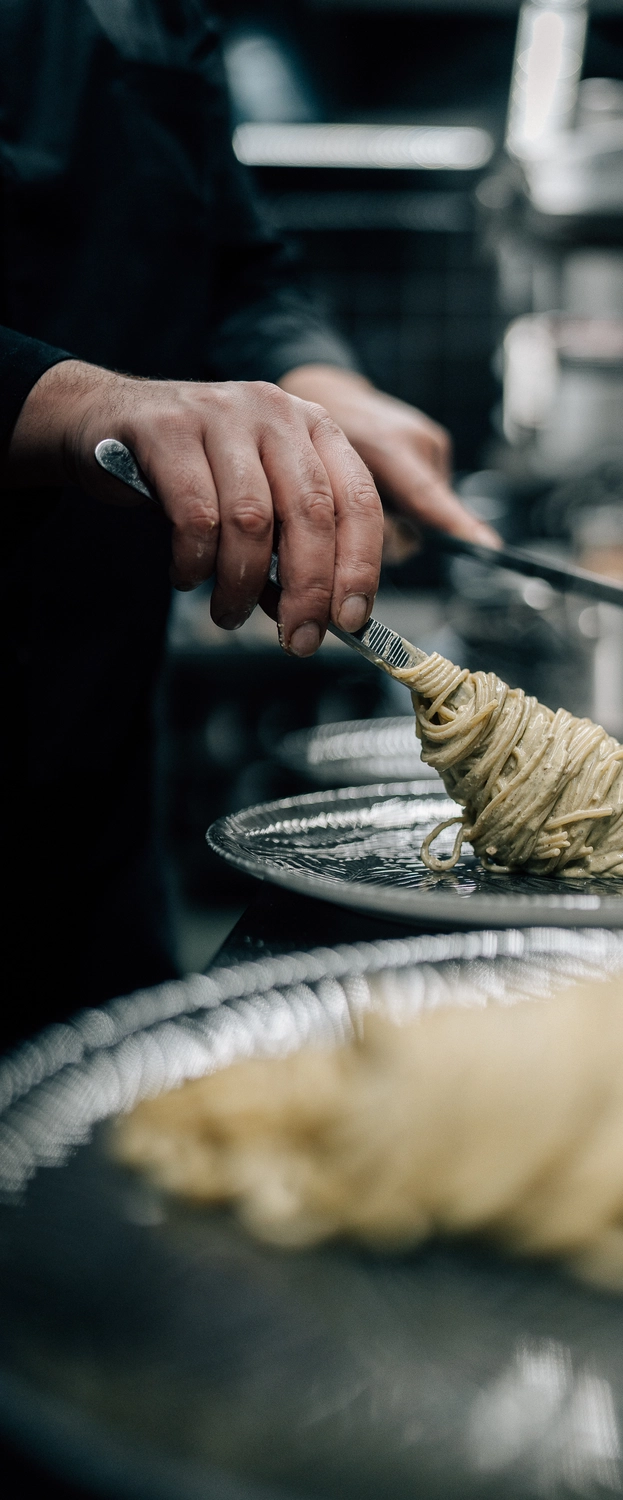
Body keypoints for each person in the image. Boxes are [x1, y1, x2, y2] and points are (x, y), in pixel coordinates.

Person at [0, 0, 496, 1048]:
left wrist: (327, 384)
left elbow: (238, 263)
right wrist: (67, 398)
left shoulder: (163, 17)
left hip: (93, 758)